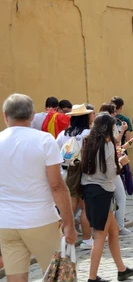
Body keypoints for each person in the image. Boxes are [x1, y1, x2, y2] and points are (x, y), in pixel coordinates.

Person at [0, 94, 76, 282]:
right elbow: (56, 186)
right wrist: (69, 224)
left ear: (6, 116)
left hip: (6, 223)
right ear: (32, 115)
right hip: (40, 219)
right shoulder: (44, 140)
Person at [81, 114, 133, 282]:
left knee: (112, 231)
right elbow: (111, 174)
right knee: (100, 235)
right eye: (114, 128)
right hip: (102, 192)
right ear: (108, 128)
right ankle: (92, 277)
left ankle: (121, 269)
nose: (116, 130)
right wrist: (122, 163)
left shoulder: (88, 142)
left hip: (90, 190)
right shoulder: (107, 145)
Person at [55, 104, 94, 249]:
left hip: (67, 172)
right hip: (84, 172)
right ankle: (87, 239)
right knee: (86, 207)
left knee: (68, 208)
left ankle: (62, 237)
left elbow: (56, 153)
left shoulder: (63, 134)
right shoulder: (89, 134)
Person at [98, 103, 133, 237]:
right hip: (109, 172)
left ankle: (110, 227)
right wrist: (120, 162)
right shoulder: (107, 139)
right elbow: (116, 149)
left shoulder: (92, 137)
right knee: (119, 197)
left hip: (95, 174)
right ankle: (118, 227)